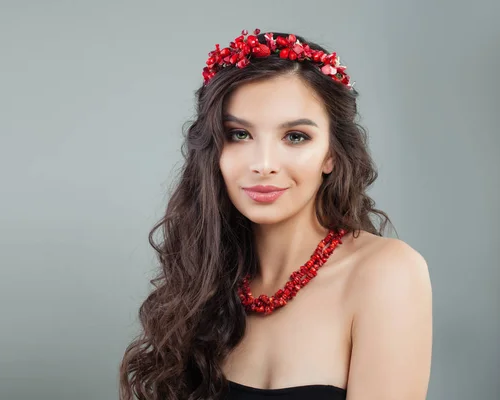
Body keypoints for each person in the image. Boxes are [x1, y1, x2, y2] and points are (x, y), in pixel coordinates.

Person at [119, 29, 432, 400]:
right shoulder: (205, 280)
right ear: (213, 152)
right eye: (238, 134)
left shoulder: (386, 273)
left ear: (332, 154)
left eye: (295, 136)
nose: (263, 165)